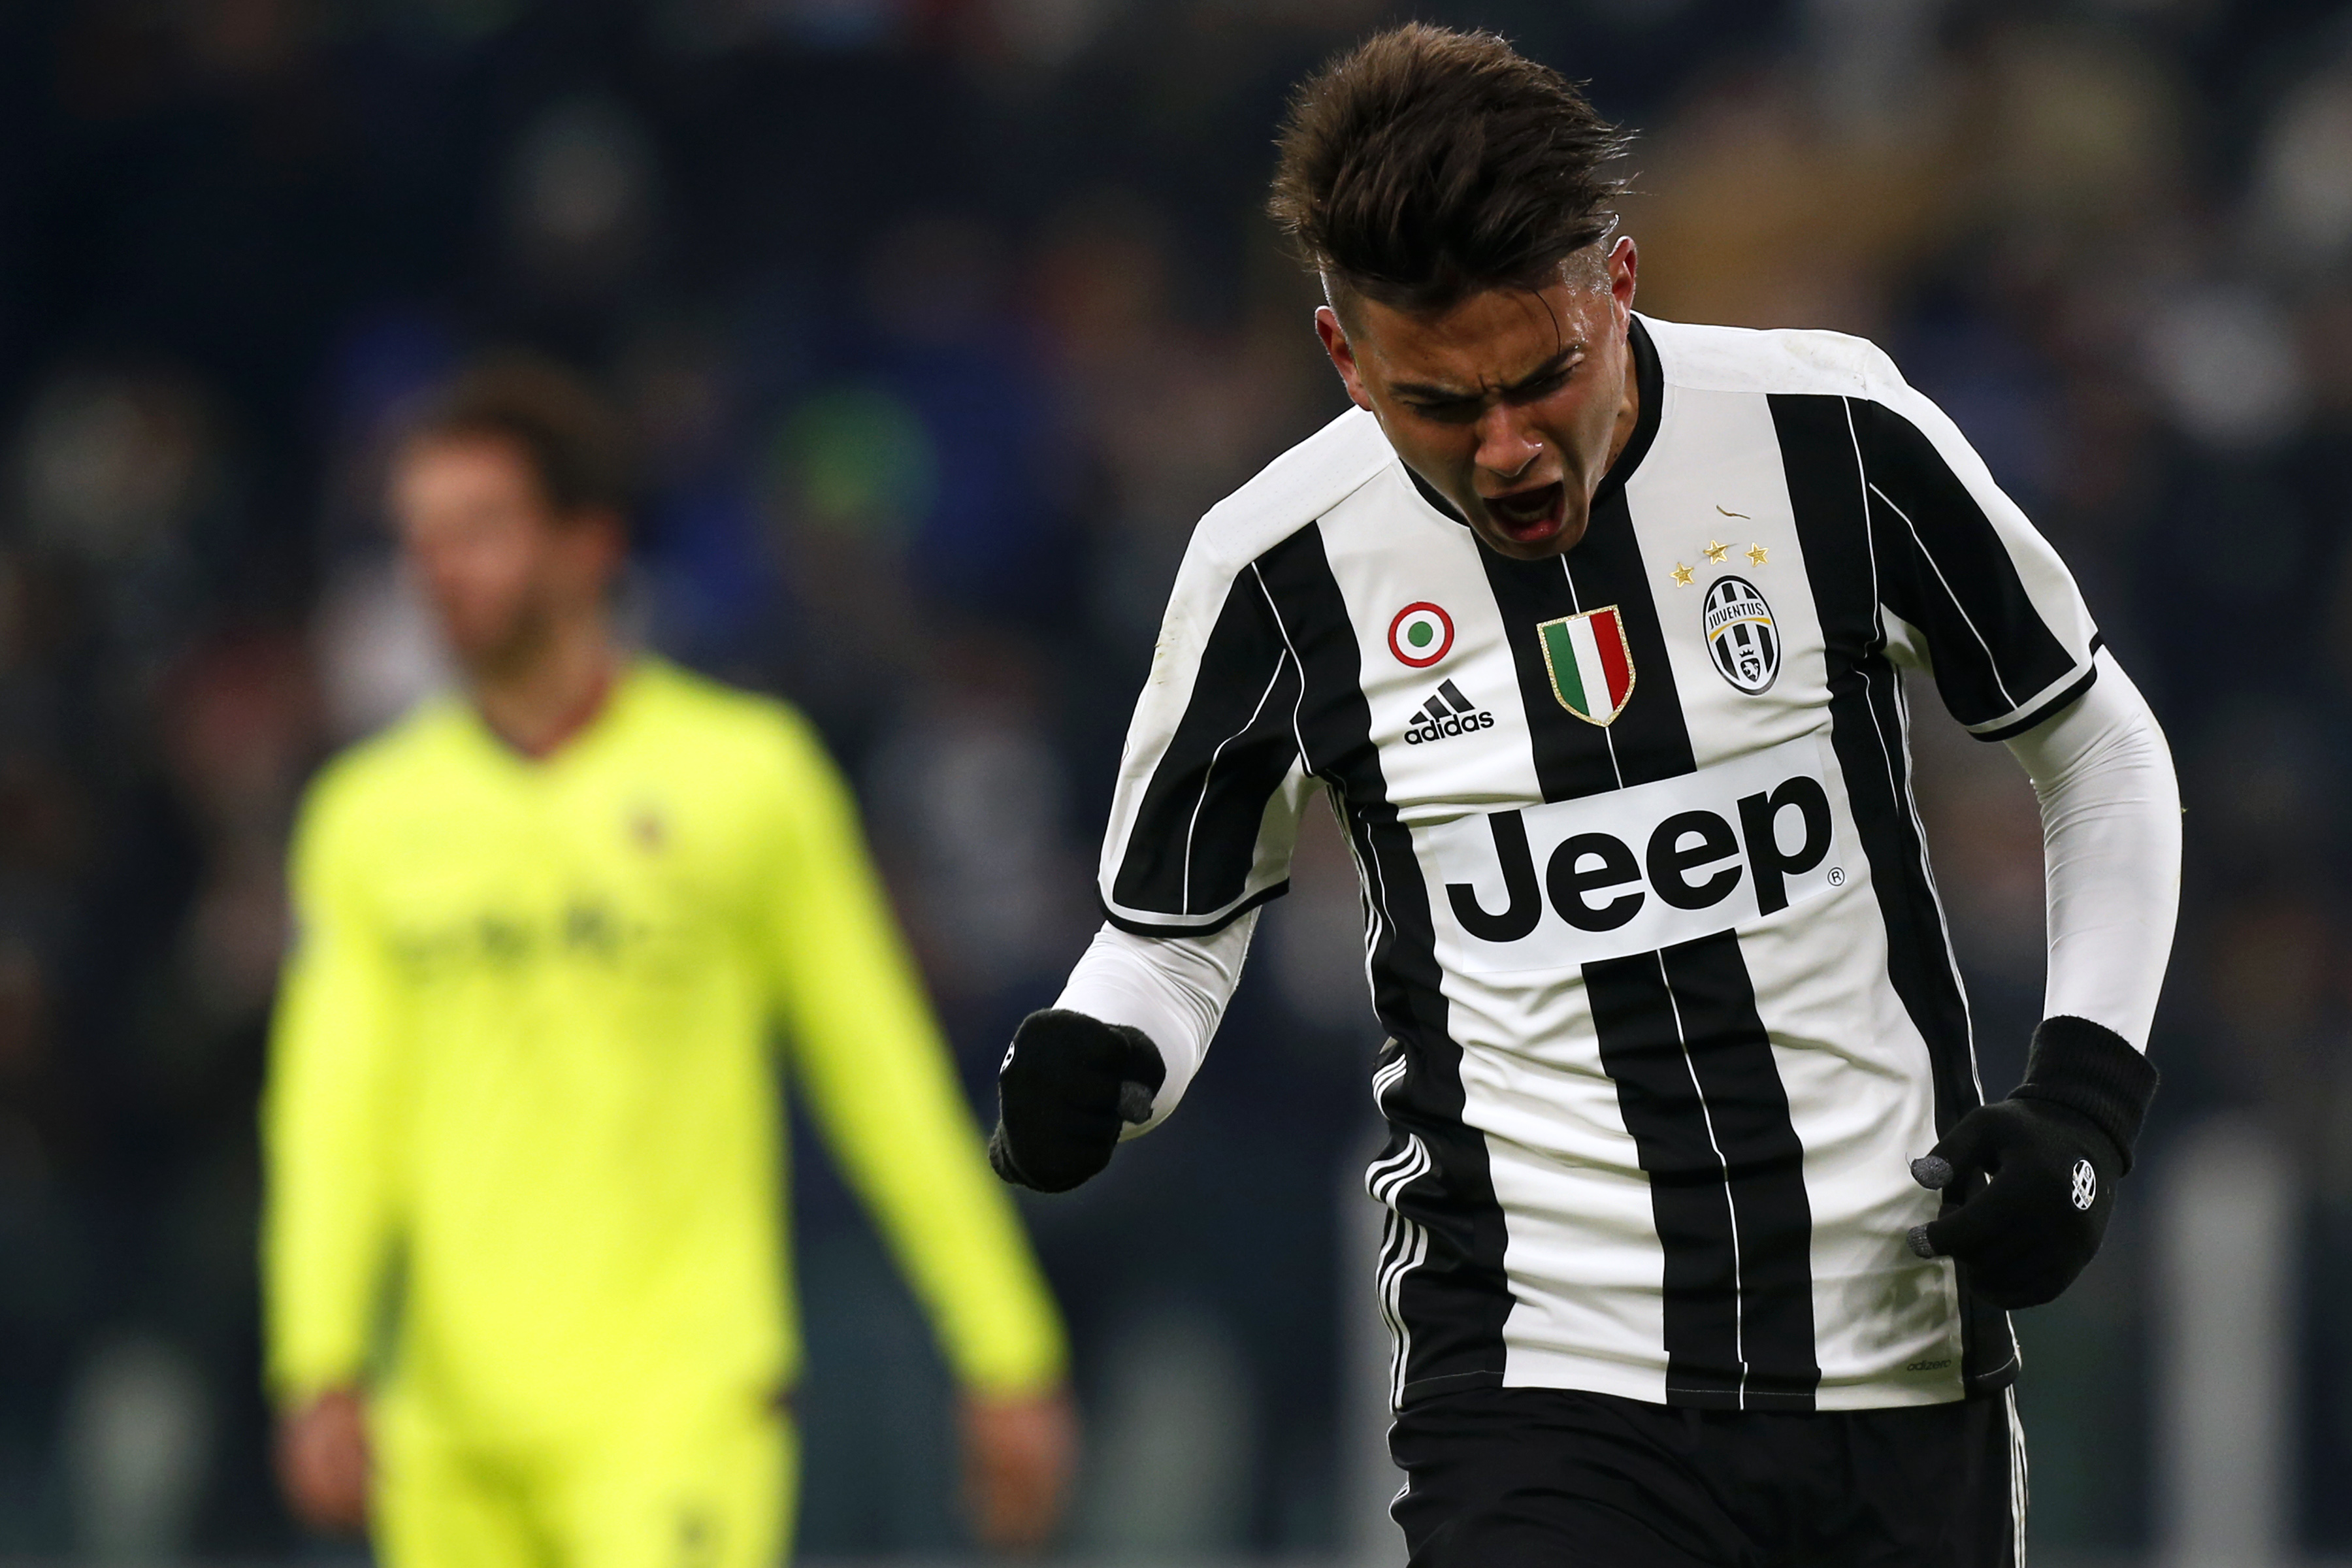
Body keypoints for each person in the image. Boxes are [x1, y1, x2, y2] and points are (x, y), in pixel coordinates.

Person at [986, 25, 2179, 1568]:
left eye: (1545, 378)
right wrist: (1100, 1052)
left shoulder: (1832, 437)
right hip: (1540, 1375)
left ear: (1617, 282)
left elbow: (2092, 742)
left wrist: (2087, 1097)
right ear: (1345, 358)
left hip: (1895, 1344)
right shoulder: (1274, 565)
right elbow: (1167, 932)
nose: (1505, 449)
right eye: (1435, 405)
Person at [263, 357, 1075, 1568]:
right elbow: (335, 1111)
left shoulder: (746, 780)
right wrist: (316, 1356)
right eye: (420, 536)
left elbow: (880, 1081)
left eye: (480, 529)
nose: (440, 568)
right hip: (444, 1428)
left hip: (678, 1412)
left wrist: (1006, 1350)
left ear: (588, 545)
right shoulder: (369, 819)